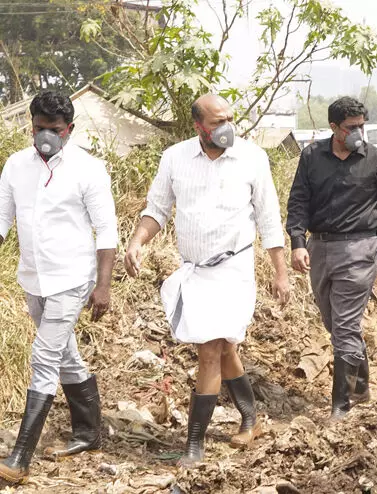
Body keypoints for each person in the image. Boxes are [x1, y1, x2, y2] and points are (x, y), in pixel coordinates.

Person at [124, 94, 289, 467]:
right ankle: (251, 418)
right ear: (198, 126)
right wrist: (136, 241)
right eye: (217, 122)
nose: (226, 127)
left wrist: (281, 273)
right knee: (225, 347)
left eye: (230, 119)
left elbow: (269, 219)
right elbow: (157, 209)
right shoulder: (175, 157)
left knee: (210, 349)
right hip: (195, 270)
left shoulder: (252, 158)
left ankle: (194, 444)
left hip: (235, 268)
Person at [0, 91, 117, 485]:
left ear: (69, 129)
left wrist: (103, 286)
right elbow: (2, 222)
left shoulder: (89, 169)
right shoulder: (16, 166)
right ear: (30, 125)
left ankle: (20, 457)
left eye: (53, 130)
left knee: (44, 355)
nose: (45, 137)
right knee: (65, 354)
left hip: (72, 278)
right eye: (38, 129)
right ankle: (88, 433)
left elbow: (107, 233)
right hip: (33, 277)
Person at [286, 97, 377, 420]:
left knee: (343, 325)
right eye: (351, 127)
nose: (358, 132)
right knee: (335, 322)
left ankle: (340, 404)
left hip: (360, 248)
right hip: (320, 247)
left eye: (361, 126)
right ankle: (361, 384)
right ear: (333, 128)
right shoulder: (312, 156)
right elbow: (298, 200)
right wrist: (298, 242)